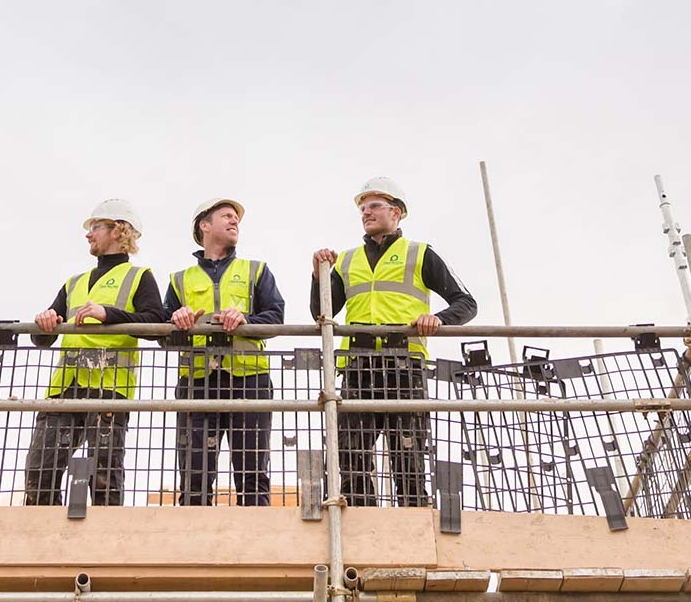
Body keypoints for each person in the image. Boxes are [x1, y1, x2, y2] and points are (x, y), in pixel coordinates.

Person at [311, 177, 477, 507]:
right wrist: (318, 275)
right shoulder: (346, 260)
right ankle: (361, 525)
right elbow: (320, 311)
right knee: (352, 454)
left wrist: (439, 319)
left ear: (396, 212)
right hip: (358, 366)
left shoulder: (419, 253)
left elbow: (466, 303)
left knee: (408, 455)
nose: (365, 213)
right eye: (362, 208)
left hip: (404, 366)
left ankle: (413, 527)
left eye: (374, 206)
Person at [24, 199, 164, 507]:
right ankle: (44, 543)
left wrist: (110, 314)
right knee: (40, 470)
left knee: (103, 475)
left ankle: (105, 546)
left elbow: (156, 322)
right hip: (63, 389)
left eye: (95, 227)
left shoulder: (139, 277)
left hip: (109, 389)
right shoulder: (74, 283)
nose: (89, 234)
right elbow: (42, 337)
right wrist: (44, 321)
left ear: (118, 230)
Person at [165, 198, 286, 506]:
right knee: (195, 473)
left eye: (236, 219)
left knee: (252, 472)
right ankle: (194, 545)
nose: (235, 222)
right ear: (204, 226)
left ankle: (256, 544)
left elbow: (275, 318)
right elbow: (164, 336)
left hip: (249, 380)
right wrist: (177, 321)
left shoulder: (256, 271)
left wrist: (246, 320)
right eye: (227, 216)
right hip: (197, 382)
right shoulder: (179, 280)